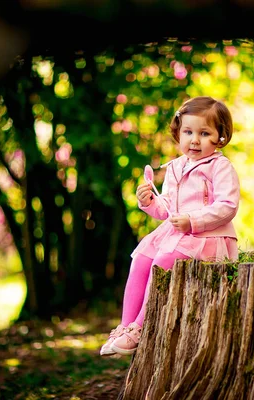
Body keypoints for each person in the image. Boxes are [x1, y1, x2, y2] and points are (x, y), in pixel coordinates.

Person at [100, 96, 241, 357]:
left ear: (220, 136)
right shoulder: (175, 167)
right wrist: (150, 202)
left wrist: (193, 220)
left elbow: (228, 206)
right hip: (175, 233)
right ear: (178, 133)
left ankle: (140, 328)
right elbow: (167, 208)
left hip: (208, 235)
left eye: (204, 133)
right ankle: (125, 326)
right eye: (188, 132)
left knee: (163, 260)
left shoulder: (220, 167)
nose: (194, 140)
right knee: (141, 258)